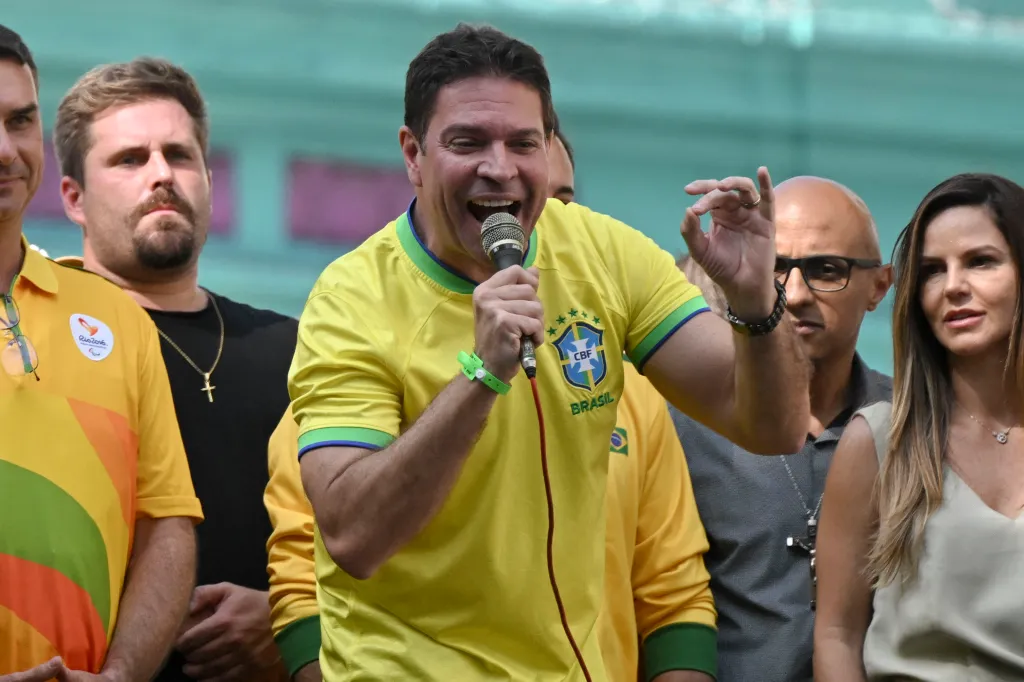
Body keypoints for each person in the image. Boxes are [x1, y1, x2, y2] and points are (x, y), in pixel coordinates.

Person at [291, 23, 808, 681]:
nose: (499, 168)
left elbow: (774, 426)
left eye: (522, 144)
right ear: (413, 155)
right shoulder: (351, 299)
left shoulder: (600, 250)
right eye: (467, 142)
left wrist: (757, 303)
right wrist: (481, 374)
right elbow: (353, 536)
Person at [264, 123, 719, 682]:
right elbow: (307, 572)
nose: (529, 228)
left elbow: (674, 591)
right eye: (494, 209)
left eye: (558, 205)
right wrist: (482, 374)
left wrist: (753, 307)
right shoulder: (351, 342)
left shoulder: (634, 393)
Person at [52, 57, 296, 681]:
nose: (161, 175)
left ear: (210, 179)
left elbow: (365, 533)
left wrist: (294, 619)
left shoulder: (294, 346)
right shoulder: (32, 340)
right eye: (130, 159)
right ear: (74, 198)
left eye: (180, 156)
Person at [0, 25, 203, 681]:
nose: (6, 150)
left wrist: (119, 677)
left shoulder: (119, 320)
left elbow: (167, 526)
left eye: (19, 120)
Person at [673, 176, 893, 681]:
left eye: (826, 270)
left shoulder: (914, 425)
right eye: (774, 266)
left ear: (879, 286)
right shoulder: (685, 420)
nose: (793, 295)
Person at [814, 173, 1024, 681]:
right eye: (932, 271)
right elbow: (836, 634)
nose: (954, 286)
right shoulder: (879, 441)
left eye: (981, 261)